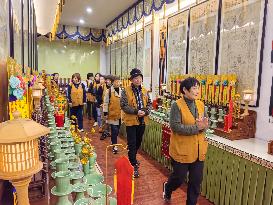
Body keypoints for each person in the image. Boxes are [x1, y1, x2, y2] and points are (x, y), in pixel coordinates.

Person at [163, 77, 209, 205]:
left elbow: (205, 123)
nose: (197, 91)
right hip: (181, 150)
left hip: (199, 150)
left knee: (195, 182)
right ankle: (168, 187)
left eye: (198, 88)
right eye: (194, 88)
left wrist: (205, 125)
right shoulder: (176, 105)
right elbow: (175, 127)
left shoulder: (200, 104)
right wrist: (197, 127)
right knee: (179, 178)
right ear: (184, 90)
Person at [120, 68, 152, 178]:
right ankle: (133, 165)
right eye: (135, 78)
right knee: (132, 143)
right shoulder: (125, 90)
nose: (137, 80)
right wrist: (136, 111)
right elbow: (123, 105)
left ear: (141, 79)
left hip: (142, 121)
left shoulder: (145, 90)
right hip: (131, 121)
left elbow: (149, 104)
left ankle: (132, 157)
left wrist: (146, 111)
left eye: (139, 78)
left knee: (138, 142)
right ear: (131, 80)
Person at [103, 76, 122, 153]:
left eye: (118, 81)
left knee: (117, 130)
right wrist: (105, 112)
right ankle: (114, 145)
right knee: (114, 130)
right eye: (116, 81)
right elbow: (106, 102)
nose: (117, 83)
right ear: (112, 82)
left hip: (120, 114)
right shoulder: (109, 91)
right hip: (112, 114)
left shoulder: (122, 91)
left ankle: (113, 140)